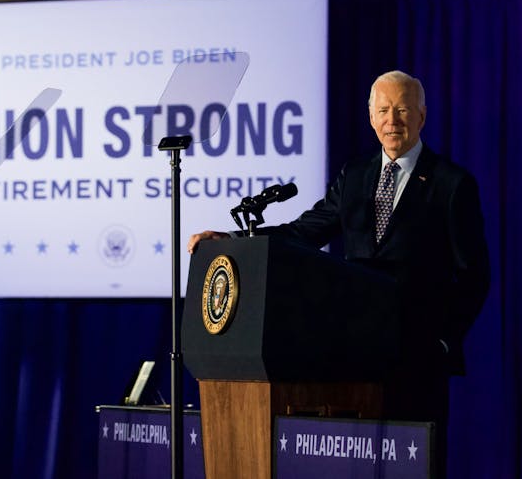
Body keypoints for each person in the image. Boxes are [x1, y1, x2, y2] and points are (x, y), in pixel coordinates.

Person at [187, 70, 490, 477]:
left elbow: (474, 276)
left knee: (414, 467)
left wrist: (441, 340)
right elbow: (303, 232)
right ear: (370, 117)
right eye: (383, 110)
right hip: (355, 352)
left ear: (421, 116)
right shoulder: (356, 175)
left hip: (417, 357)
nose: (392, 120)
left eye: (401, 110)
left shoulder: (452, 184)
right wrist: (233, 237)